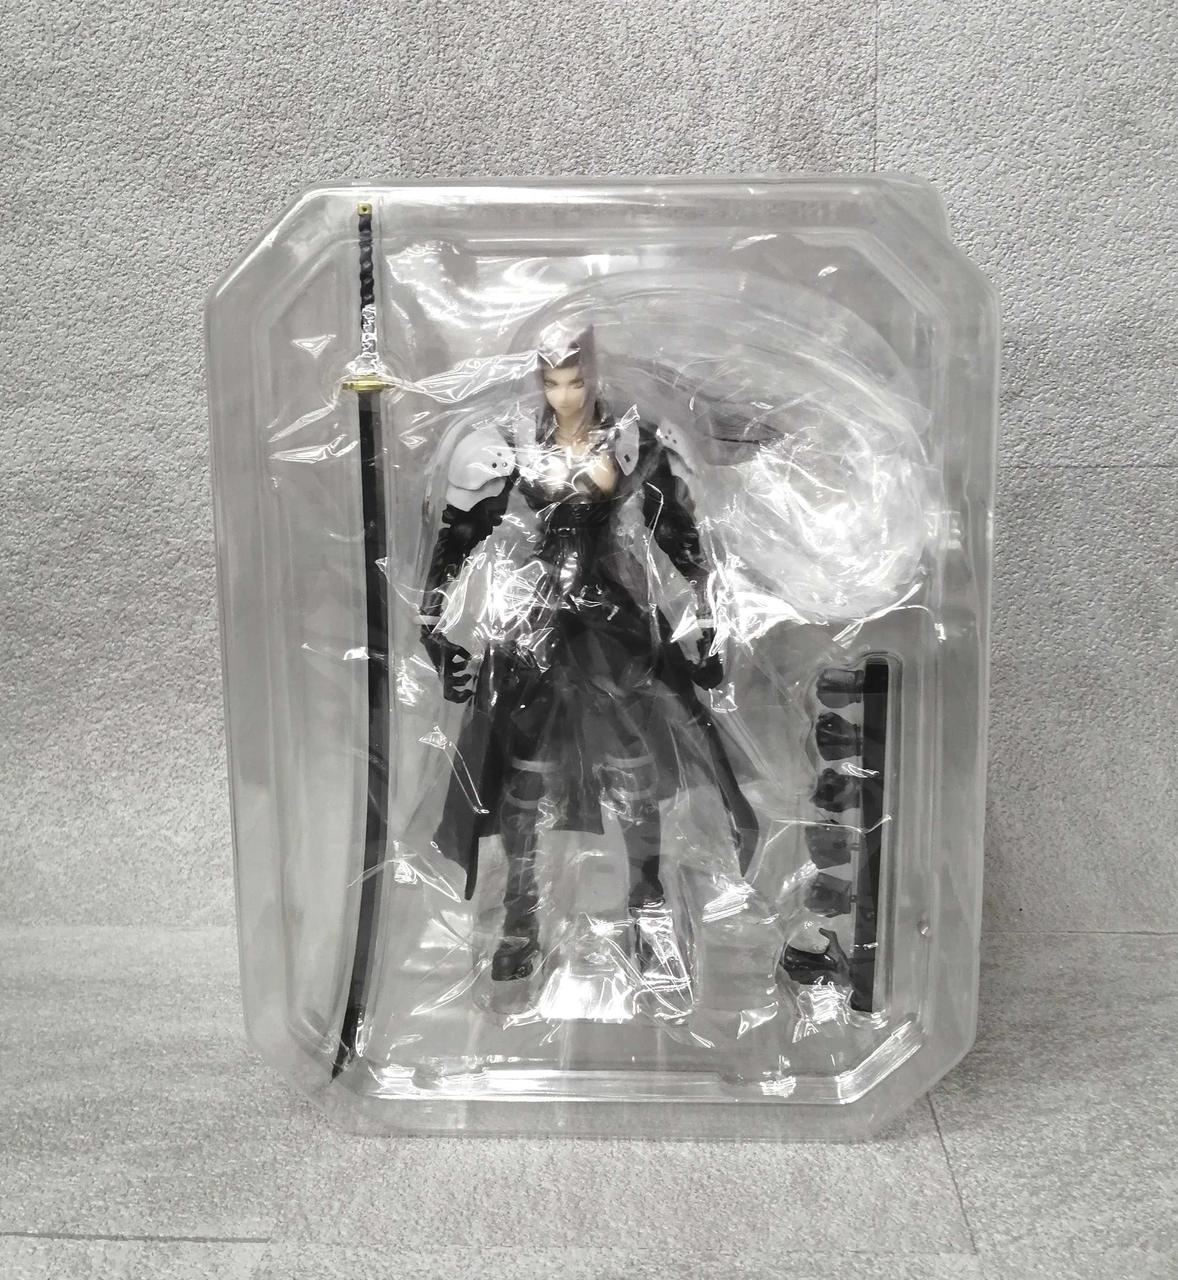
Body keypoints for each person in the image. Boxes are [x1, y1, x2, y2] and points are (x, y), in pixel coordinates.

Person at [419, 327, 758, 983]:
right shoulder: (511, 442)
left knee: (635, 767)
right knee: (523, 775)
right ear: (538, 383)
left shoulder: (632, 440)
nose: (565, 395)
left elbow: (681, 537)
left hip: (610, 613)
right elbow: (458, 536)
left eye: (575, 381)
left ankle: (648, 911)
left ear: (594, 377)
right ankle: (519, 919)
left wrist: (709, 620)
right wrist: (433, 625)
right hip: (539, 615)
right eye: (552, 382)